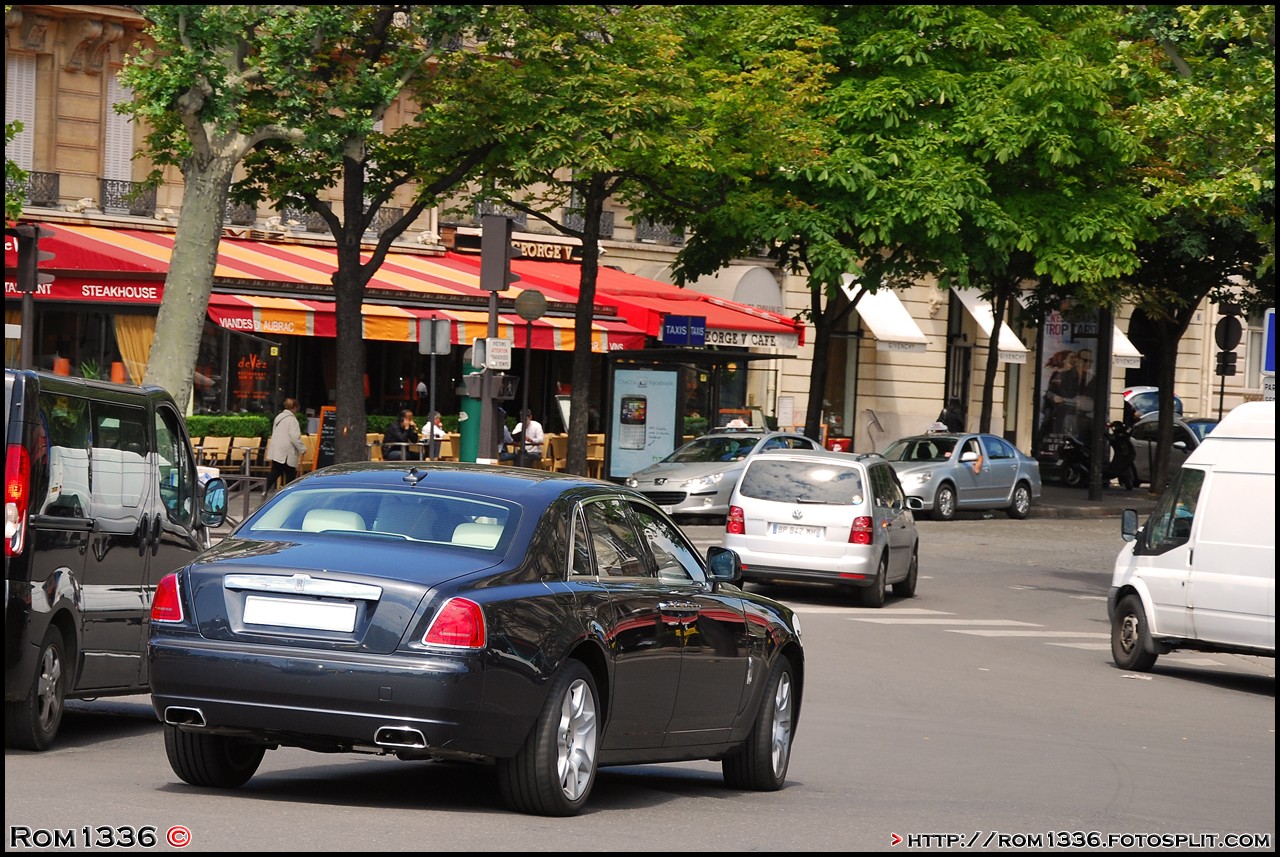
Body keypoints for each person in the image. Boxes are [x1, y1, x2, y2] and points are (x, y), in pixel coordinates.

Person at [266, 398, 306, 492]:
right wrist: (302, 448)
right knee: (290, 474)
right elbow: (294, 437)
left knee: (276, 471)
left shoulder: (278, 417)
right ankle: (289, 493)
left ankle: (264, 488)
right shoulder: (292, 420)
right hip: (287, 453)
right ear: (295, 407)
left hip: (277, 451)